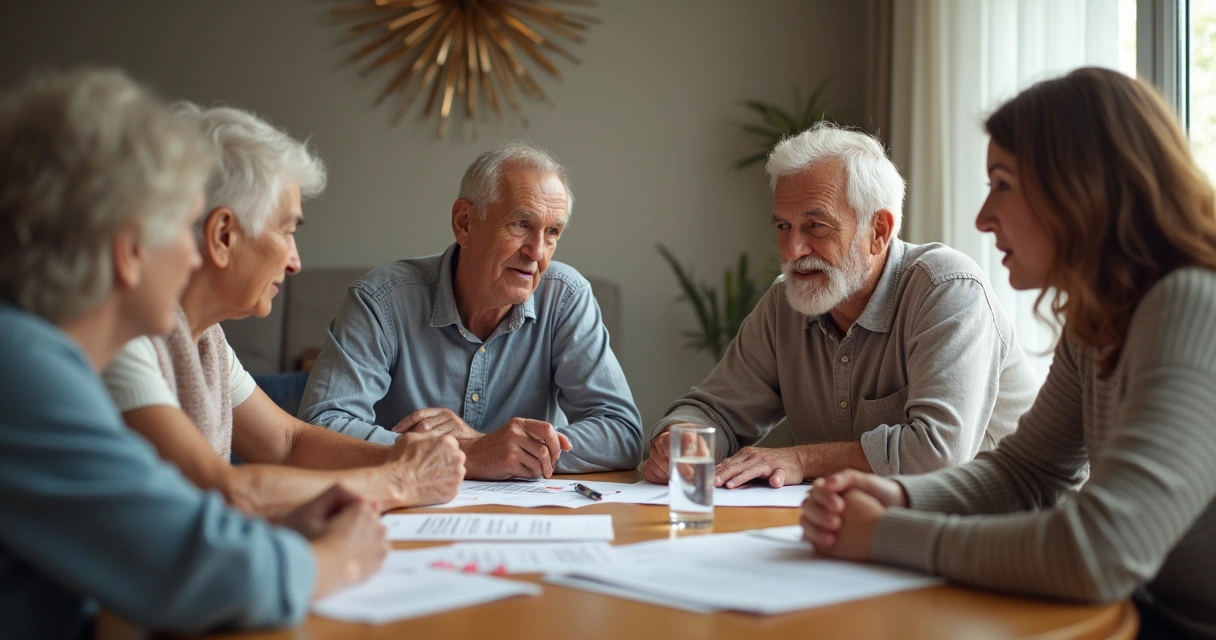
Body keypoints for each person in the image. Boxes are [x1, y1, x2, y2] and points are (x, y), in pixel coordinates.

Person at [800, 68, 1216, 639]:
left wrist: (882, 534)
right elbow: (1029, 474)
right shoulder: (1098, 318)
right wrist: (898, 495)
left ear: (1081, 184)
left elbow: (1103, 551)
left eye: (1003, 183)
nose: (982, 218)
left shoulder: (1191, 303)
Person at [0, 68, 386, 638]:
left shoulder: (45, 355)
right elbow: (194, 563)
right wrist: (337, 558)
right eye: (183, 229)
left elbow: (148, 532)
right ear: (131, 251)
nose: (192, 257)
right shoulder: (23, 366)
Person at [100, 104, 464, 517]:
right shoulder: (124, 336)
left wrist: (407, 458)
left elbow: (287, 442)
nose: (295, 261)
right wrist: (399, 479)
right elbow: (220, 495)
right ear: (223, 235)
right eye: (287, 231)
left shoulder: (205, 336)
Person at [643, 123, 1038, 488]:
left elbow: (937, 454)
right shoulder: (785, 304)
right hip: (872, 529)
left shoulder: (948, 289)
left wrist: (802, 459)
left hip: (1003, 535)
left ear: (878, 231)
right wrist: (679, 441)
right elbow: (714, 410)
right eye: (783, 227)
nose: (793, 250)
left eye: (816, 226)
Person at [300, 144, 643, 479]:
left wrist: (489, 445)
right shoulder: (381, 300)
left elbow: (622, 433)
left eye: (552, 232)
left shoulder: (566, 298)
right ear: (464, 222)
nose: (537, 252)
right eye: (521, 224)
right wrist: (469, 453)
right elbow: (322, 429)